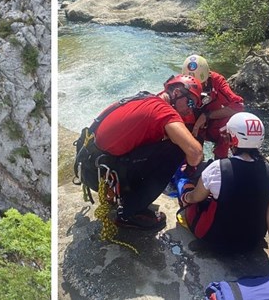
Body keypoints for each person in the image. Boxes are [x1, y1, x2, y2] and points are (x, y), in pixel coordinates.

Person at [73, 75, 204, 230]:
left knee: (168, 144)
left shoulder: (146, 98)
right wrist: (191, 169)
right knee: (176, 150)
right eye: (190, 102)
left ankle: (128, 196)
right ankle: (130, 213)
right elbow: (195, 153)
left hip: (90, 165)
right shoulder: (164, 112)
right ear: (176, 93)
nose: (190, 109)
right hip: (102, 175)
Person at [177, 112, 269, 275]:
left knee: (185, 185)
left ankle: (180, 180)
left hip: (215, 240)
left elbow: (196, 197)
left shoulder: (217, 169)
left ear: (232, 140)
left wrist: (185, 197)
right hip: (251, 242)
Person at [181, 54, 245, 159]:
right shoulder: (179, 84)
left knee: (228, 124)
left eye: (198, 85)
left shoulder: (217, 81)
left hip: (211, 123)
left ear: (206, 79)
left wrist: (207, 116)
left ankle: (220, 160)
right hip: (190, 121)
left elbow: (238, 106)